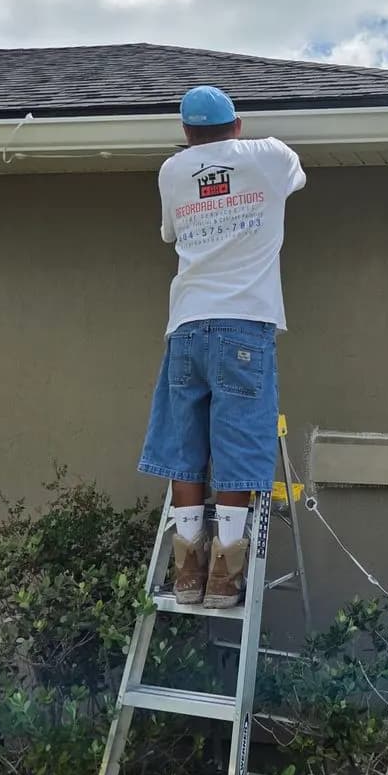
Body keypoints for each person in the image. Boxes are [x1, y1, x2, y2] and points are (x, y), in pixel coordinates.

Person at [138, 85, 306, 608]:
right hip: (243, 325)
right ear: (237, 125)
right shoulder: (270, 156)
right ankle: (224, 575)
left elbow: (170, 234)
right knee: (239, 441)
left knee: (183, 443)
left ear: (186, 133)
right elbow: (295, 178)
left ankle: (186, 571)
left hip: (187, 324)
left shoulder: (172, 171)